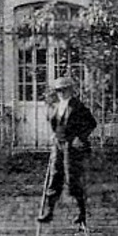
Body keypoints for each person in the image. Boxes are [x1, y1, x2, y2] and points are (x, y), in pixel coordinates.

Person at [37, 77, 97, 224]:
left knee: (72, 179)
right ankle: (49, 212)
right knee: (54, 176)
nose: (61, 93)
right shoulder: (56, 106)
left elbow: (91, 123)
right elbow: (56, 124)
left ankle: (81, 212)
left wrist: (80, 138)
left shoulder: (78, 106)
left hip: (72, 147)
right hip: (58, 145)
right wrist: (55, 135)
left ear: (70, 90)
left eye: (64, 90)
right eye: (58, 90)